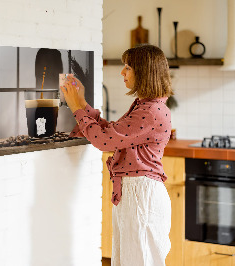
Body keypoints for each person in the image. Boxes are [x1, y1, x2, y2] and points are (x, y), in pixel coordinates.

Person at [61, 44, 173, 266]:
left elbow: (104, 141)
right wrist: (82, 103)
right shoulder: (146, 106)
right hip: (136, 193)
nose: (122, 72)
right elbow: (112, 133)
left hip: (141, 195)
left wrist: (76, 108)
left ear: (144, 72)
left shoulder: (150, 111)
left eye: (128, 67)